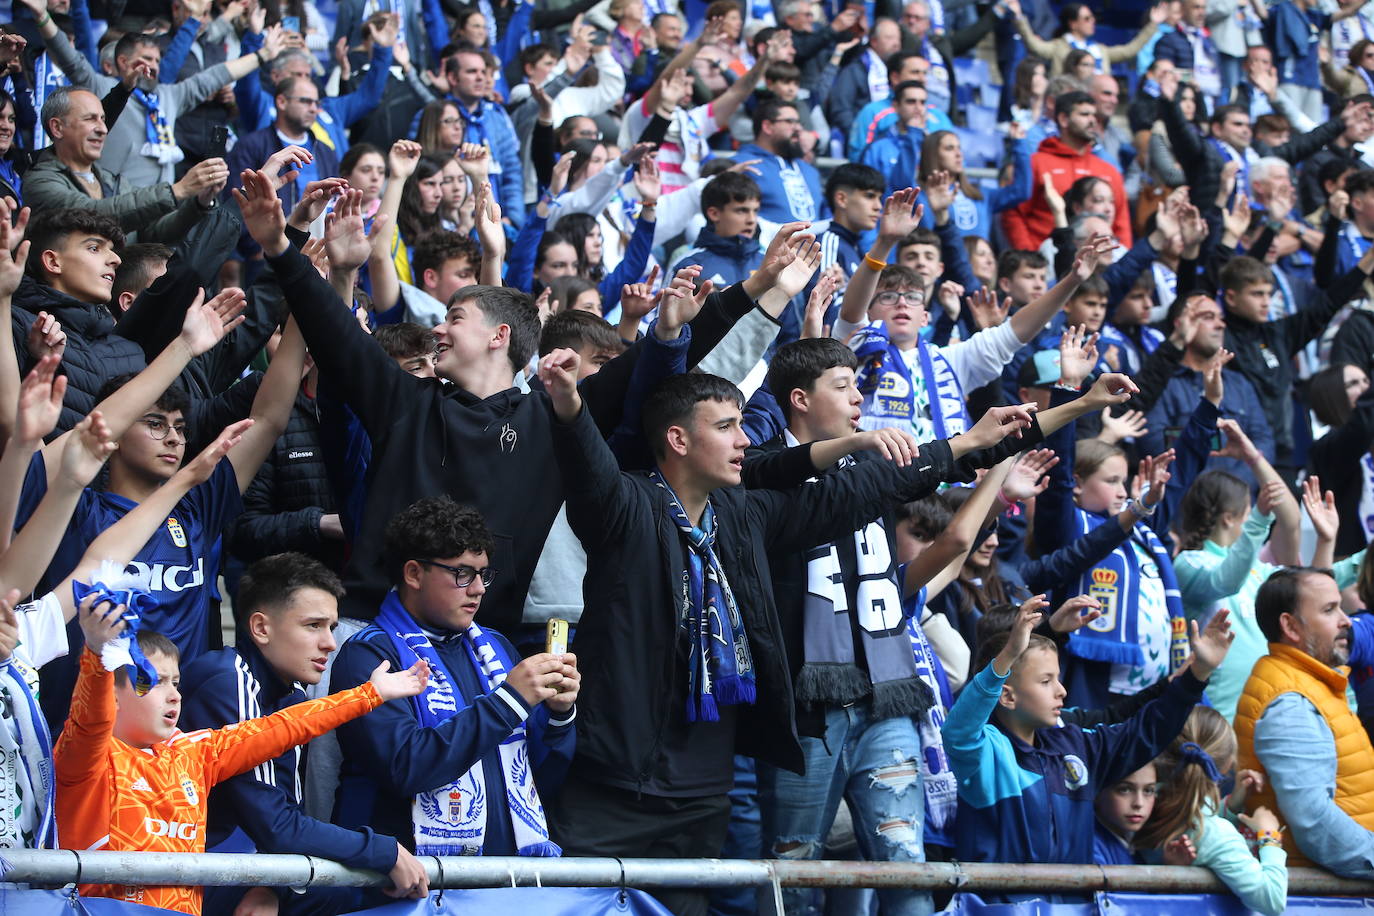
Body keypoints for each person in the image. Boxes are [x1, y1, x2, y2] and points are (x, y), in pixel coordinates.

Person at [537, 307, 1134, 916]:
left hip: (703, 784)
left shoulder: (748, 515)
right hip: (616, 775)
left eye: (745, 425)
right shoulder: (626, 508)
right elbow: (589, 471)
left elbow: (876, 486)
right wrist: (568, 405)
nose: (745, 439)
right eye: (727, 427)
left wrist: (973, 442)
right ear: (679, 439)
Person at [55, 593, 429, 915]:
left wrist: (369, 694)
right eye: (150, 682)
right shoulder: (87, 759)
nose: (173, 695)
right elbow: (90, 719)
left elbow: (282, 727)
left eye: (176, 682)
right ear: (112, 695)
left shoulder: (194, 753)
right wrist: (97, 653)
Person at [330, 497, 576, 902]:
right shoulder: (369, 655)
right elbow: (406, 766)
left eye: (482, 574)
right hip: (406, 894)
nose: (478, 590)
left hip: (505, 886)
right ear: (413, 573)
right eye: (462, 574)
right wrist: (510, 700)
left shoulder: (496, 647)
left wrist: (559, 716)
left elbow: (541, 779)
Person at [179, 554, 429, 916]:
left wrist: (274, 885)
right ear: (261, 628)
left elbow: (281, 826)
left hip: (236, 871)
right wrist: (384, 850)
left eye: (331, 626)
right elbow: (276, 826)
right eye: (313, 625)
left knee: (371, 893)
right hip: (174, 881)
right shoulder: (228, 678)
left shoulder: (292, 695)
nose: (330, 643)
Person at [941, 594, 1232, 883]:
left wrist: (1198, 674)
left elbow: (1146, 731)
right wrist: (1008, 656)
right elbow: (960, 728)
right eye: (1046, 681)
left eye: (1058, 678)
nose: (1061, 691)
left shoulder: (1078, 745)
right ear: (1006, 695)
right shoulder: (986, 754)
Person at [1234, 567, 1374, 877]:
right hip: (1322, 899)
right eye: (1329, 610)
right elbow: (1314, 822)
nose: (1346, 620)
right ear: (1291, 626)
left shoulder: (1309, 683)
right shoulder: (1290, 703)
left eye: (1340, 606)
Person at [1133, 706, 1287, 916]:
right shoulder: (1216, 835)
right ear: (1226, 766)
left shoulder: (1144, 801)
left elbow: (1193, 814)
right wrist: (1270, 835)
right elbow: (1272, 899)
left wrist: (1230, 807)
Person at [23, 86, 225, 242]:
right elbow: (94, 214)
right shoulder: (40, 182)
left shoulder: (112, 181)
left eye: (102, 119)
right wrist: (178, 190)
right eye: (90, 119)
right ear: (57, 128)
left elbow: (155, 231)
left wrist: (200, 200)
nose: (102, 129)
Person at [1003, 90, 1132, 252]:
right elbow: (1013, 213)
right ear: (1063, 119)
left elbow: (1122, 223)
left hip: (1101, 266)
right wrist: (1030, 254)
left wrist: (1120, 262)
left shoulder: (1109, 170)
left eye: (1094, 115)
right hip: (1046, 263)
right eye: (1085, 115)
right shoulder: (1036, 163)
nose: (1092, 121)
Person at [733, 98, 823, 225]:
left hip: (816, 244)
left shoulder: (809, 170)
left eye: (798, 122)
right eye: (790, 122)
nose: (798, 128)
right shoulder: (741, 166)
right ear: (768, 127)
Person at [1092, 762, 1157, 864]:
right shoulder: (1090, 846)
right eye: (1124, 790)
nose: (1139, 803)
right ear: (1097, 791)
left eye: (1148, 790)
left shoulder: (1133, 841)